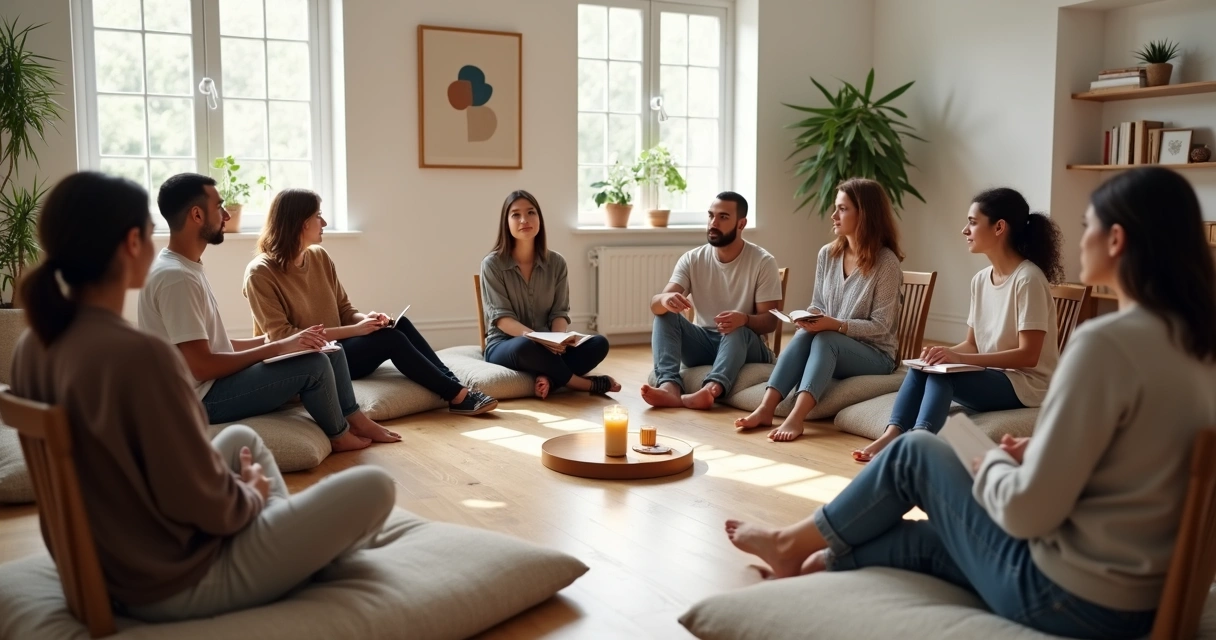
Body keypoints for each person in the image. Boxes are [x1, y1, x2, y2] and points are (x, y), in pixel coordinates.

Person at [722, 167, 1216, 640]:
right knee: (907, 540)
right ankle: (814, 559)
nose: (1079, 238)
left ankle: (793, 542)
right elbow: (1134, 464)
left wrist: (997, 464)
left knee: (921, 450)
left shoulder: (1106, 344)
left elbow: (1026, 514)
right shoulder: (1198, 346)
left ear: (1117, 240)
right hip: (1137, 595)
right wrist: (1040, 455)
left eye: (1088, 226)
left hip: (1068, 597)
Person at [11, 171, 397, 622]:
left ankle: (280, 536)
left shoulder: (32, 347)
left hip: (116, 560)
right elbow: (198, 503)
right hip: (174, 580)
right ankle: (286, 543)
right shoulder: (142, 356)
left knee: (240, 441)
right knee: (375, 486)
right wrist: (248, 495)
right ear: (132, 242)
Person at [139, 173, 396, 452]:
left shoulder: (186, 268)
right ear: (197, 215)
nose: (226, 215)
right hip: (199, 400)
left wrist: (279, 342)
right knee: (314, 365)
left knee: (327, 349)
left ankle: (354, 417)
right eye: (220, 207)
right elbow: (201, 366)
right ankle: (338, 434)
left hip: (209, 386)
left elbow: (213, 346)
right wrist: (276, 348)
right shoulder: (177, 278)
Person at [853, 188, 1063, 462]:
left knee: (944, 374)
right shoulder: (980, 279)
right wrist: (941, 354)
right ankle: (892, 433)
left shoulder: (1028, 279)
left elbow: (1029, 355)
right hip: (993, 377)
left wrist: (960, 358)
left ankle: (921, 440)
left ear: (999, 227)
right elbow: (972, 343)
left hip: (1027, 386)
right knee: (924, 366)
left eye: (973, 222)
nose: (965, 230)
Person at [244, 188, 497, 415]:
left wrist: (367, 320)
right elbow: (282, 337)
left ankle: (457, 387)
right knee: (391, 339)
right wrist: (354, 330)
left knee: (397, 325)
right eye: (318, 216)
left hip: (338, 350)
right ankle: (457, 396)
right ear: (300, 222)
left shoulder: (319, 257)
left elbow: (344, 310)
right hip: (308, 362)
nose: (324, 222)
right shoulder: (260, 273)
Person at [735, 179, 903, 442]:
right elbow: (819, 303)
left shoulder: (886, 263)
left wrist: (835, 325)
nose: (834, 216)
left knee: (826, 339)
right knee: (806, 335)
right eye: (836, 208)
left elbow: (881, 325)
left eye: (843, 209)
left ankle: (796, 418)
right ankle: (766, 408)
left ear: (865, 214)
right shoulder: (828, 254)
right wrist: (809, 316)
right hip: (835, 343)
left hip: (876, 354)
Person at [641, 191, 783, 410]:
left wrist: (744, 319)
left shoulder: (763, 262)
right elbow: (655, 304)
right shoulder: (692, 258)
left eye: (723, 217)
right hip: (704, 341)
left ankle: (711, 390)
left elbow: (771, 322)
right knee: (663, 315)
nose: (713, 223)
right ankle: (669, 386)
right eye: (711, 216)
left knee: (736, 329)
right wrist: (665, 299)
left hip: (746, 343)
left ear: (741, 223)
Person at [480, 190, 619, 398]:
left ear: (539, 219)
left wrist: (556, 339)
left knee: (599, 343)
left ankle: (549, 379)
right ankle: (583, 384)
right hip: (507, 344)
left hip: (549, 345)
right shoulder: (492, 265)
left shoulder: (556, 263)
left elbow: (559, 313)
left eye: (531, 212)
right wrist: (538, 339)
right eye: (515, 215)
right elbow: (502, 320)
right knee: (525, 345)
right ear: (506, 223)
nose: (524, 220)